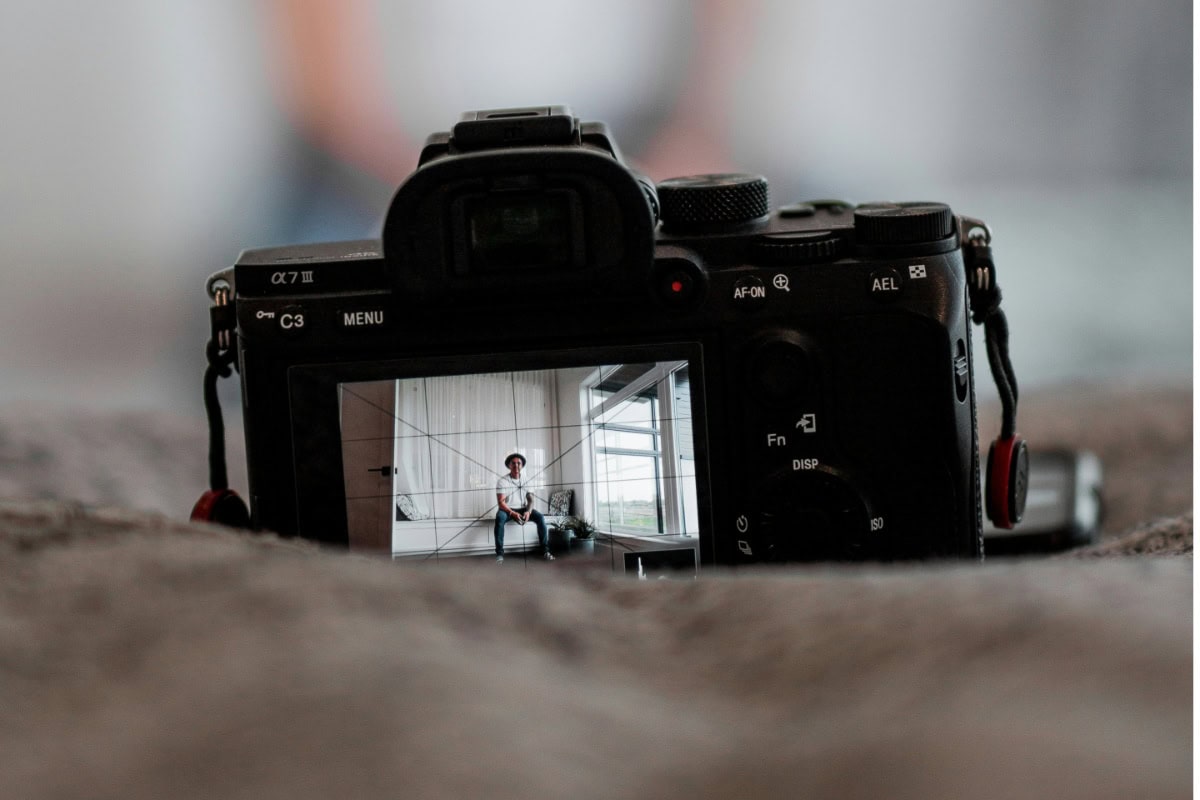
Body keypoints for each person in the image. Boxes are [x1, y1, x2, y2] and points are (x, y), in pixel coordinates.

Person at [494, 452, 554, 563]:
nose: (516, 465)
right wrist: (512, 513)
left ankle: (545, 551)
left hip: (523, 509)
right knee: (499, 518)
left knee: (540, 517)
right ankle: (499, 555)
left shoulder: (527, 480)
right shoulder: (502, 481)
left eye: (519, 463)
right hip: (507, 509)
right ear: (509, 465)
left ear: (522, 465)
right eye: (513, 463)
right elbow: (501, 503)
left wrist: (528, 511)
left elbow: (531, 500)